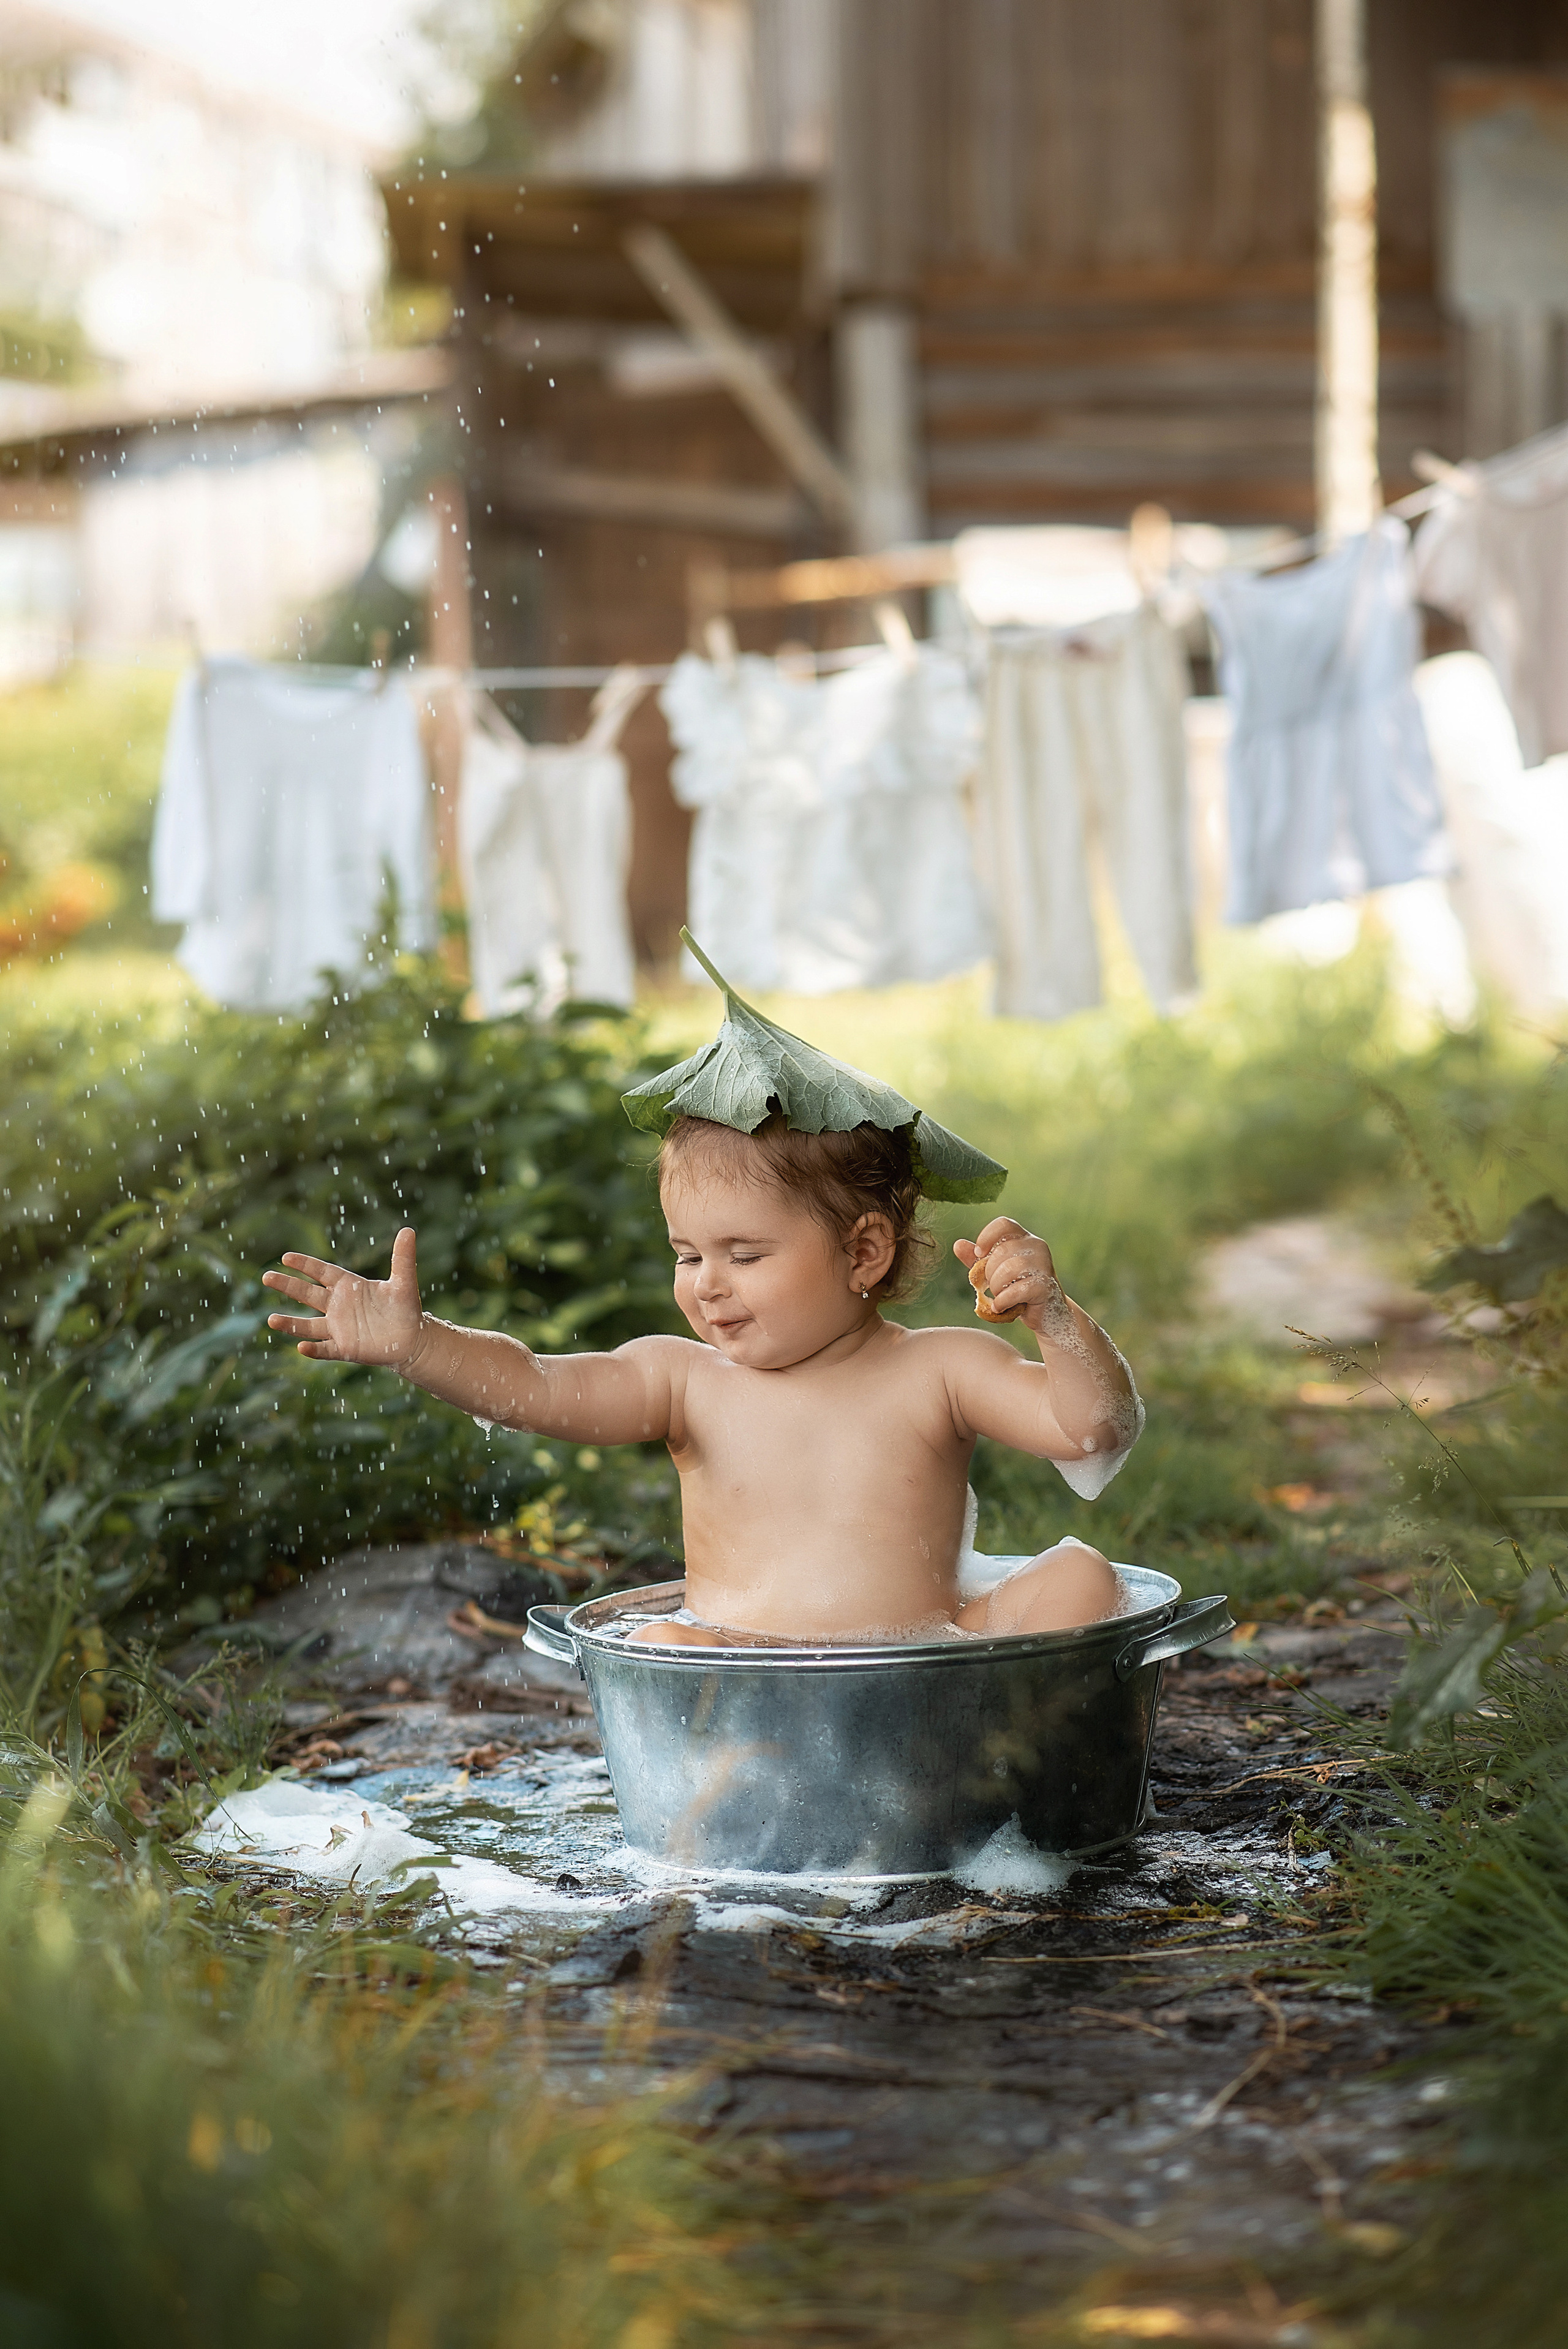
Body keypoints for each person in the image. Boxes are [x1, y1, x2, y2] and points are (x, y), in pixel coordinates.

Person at [263, 940, 1143, 1647]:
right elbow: (530, 1384)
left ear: (863, 1251)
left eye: (744, 1255)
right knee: (667, 1641)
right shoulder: (683, 1381)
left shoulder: (941, 1370)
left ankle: (1006, 1757)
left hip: (919, 1662)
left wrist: (1054, 1321)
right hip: (740, 1659)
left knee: (1083, 1580)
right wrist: (419, 1345)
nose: (706, 1285)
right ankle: (707, 1814)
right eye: (687, 1254)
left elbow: (1091, 1428)